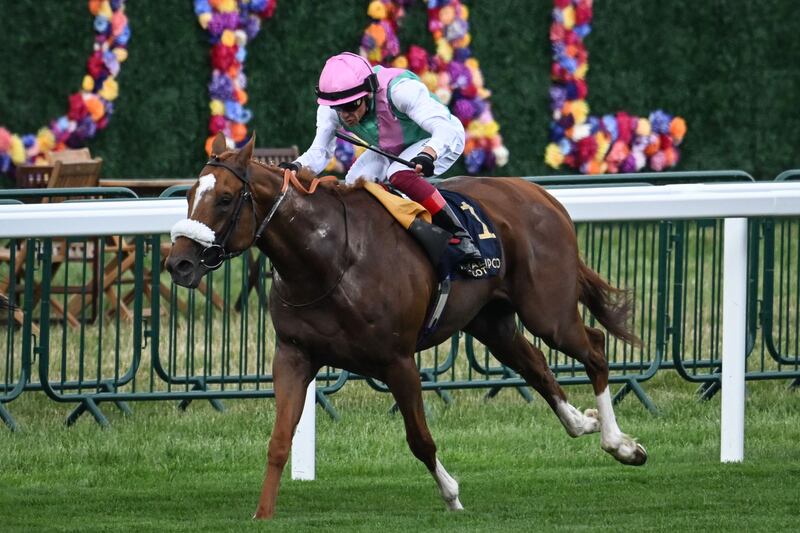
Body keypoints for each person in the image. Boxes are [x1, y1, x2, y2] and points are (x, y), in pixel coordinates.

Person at [280, 51, 481, 263]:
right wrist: (295, 166)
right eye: (338, 108)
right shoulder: (331, 107)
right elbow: (320, 152)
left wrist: (428, 154)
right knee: (355, 183)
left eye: (351, 106)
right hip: (392, 149)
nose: (344, 114)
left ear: (369, 92)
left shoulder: (401, 90)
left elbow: (444, 128)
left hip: (441, 138)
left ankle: (459, 235)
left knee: (399, 174)